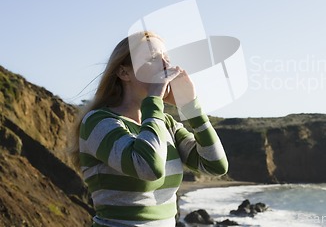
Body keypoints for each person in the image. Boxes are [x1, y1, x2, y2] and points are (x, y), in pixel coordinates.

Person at [69, 31, 228, 227]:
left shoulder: (165, 123)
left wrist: (191, 108)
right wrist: (154, 100)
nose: (165, 65)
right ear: (124, 72)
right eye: (153, 58)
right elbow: (148, 167)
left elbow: (215, 165)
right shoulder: (97, 122)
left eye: (166, 58)